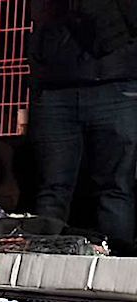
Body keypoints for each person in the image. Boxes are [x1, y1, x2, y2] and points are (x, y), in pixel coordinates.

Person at [29, 0, 137, 250]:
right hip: (55, 83)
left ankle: (115, 273)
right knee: (51, 188)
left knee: (115, 187)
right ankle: (42, 271)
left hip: (117, 80)